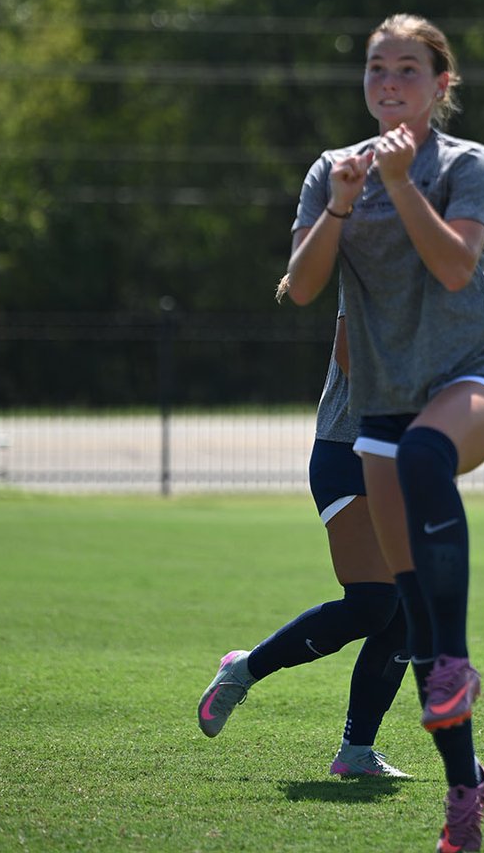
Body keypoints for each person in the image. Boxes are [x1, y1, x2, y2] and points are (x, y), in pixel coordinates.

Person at [279, 13, 484, 853]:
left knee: (424, 455)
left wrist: (402, 182)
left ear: (441, 85)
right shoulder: (328, 172)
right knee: (408, 600)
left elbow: (456, 265)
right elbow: (301, 289)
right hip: (380, 403)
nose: (389, 84)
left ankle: (454, 666)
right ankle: (465, 793)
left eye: (409, 70)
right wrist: (344, 201)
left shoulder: (465, 164)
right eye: (378, 69)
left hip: (474, 377)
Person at [197, 315, 411, 778]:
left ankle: (356, 753)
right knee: (373, 605)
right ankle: (245, 670)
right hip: (350, 450)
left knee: (406, 613)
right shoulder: (375, 252)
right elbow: (350, 352)